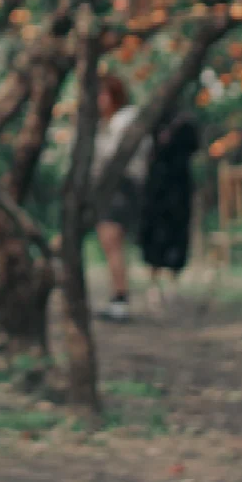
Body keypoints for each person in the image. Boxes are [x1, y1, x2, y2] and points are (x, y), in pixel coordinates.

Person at [92, 73, 150, 321]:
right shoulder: (103, 124)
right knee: (109, 244)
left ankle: (121, 298)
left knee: (112, 240)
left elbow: (116, 156)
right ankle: (118, 296)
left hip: (122, 185)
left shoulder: (126, 120)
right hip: (109, 187)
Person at [139, 112, 199, 300]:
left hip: (178, 189)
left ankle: (174, 283)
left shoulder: (185, 126)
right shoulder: (155, 122)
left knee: (177, 234)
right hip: (157, 189)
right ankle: (153, 283)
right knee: (154, 235)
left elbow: (193, 148)